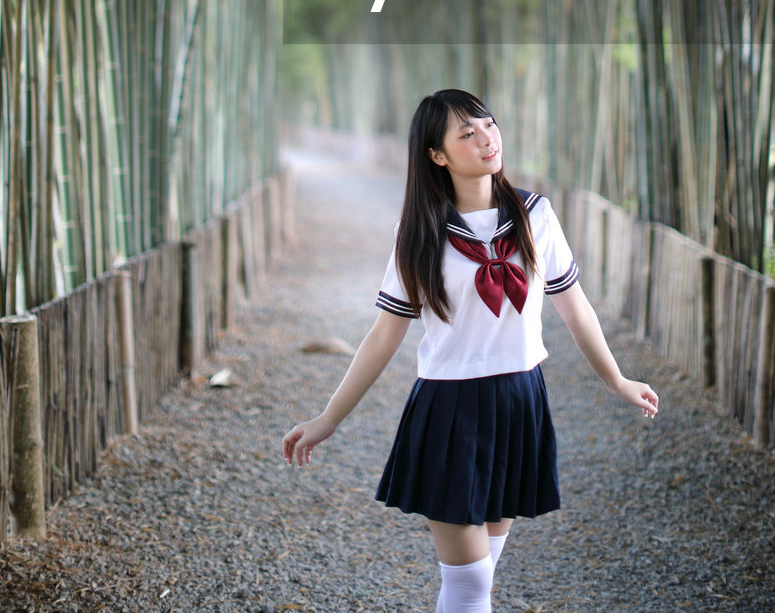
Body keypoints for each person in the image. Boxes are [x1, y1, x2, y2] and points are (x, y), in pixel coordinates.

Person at [282, 88, 659, 613]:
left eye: (489, 124)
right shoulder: (418, 234)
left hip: (520, 400)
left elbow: (575, 308)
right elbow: (384, 335)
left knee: (482, 574)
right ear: (437, 155)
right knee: (469, 585)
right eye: (467, 133)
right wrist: (329, 418)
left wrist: (617, 380)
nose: (487, 138)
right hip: (450, 408)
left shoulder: (535, 215)